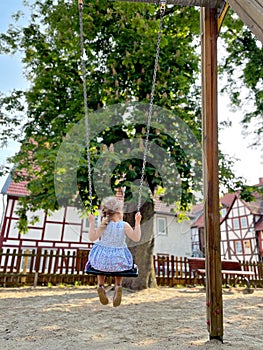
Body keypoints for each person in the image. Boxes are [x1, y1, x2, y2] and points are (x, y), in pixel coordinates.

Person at [87, 196, 142, 307]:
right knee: (119, 263)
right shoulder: (124, 225)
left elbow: (92, 238)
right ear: (118, 212)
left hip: (101, 261)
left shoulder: (103, 225)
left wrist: (92, 222)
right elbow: (136, 238)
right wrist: (137, 222)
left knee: (100, 263)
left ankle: (101, 286)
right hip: (119, 260)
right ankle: (118, 286)